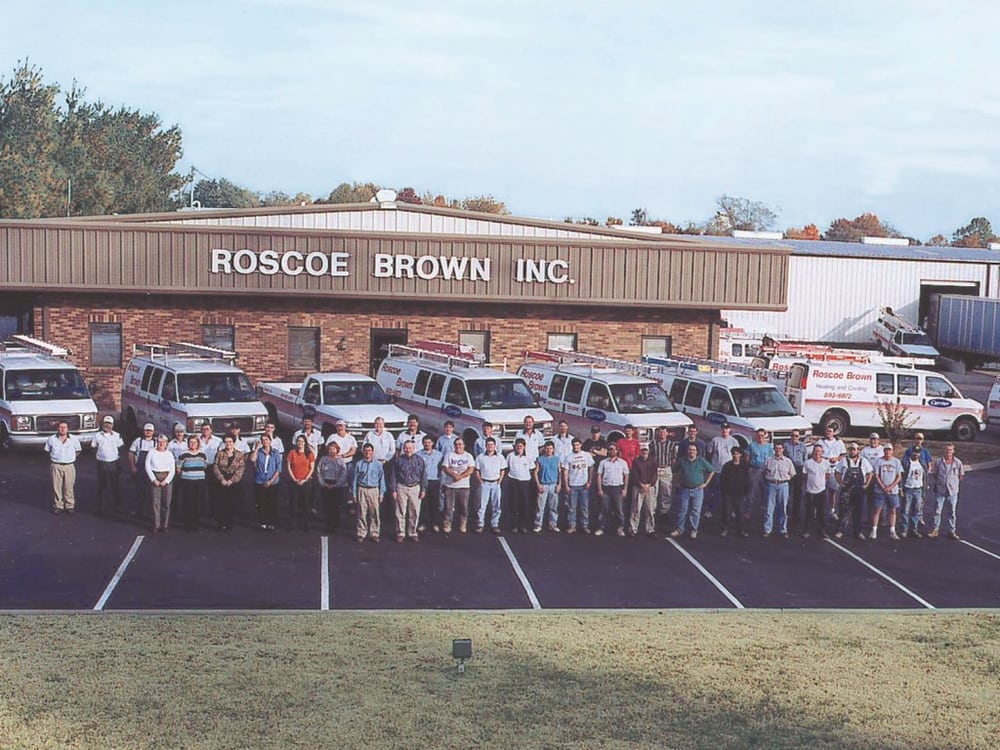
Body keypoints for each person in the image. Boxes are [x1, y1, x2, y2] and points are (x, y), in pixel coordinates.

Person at [670, 444, 715, 540]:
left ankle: (694, 530)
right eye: (690, 450)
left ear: (697, 451)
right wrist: (676, 482)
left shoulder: (701, 461)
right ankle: (679, 529)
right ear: (687, 451)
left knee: (695, 511)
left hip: (697, 490)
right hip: (684, 489)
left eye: (694, 450)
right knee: (682, 510)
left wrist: (706, 483)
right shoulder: (682, 461)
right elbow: (674, 470)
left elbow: (711, 470)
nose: (692, 452)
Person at [833, 443, 872, 540]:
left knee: (858, 512)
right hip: (846, 490)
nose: (852, 451)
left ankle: (858, 532)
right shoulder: (844, 461)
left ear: (858, 450)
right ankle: (840, 531)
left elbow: (870, 473)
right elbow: (837, 472)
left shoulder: (863, 461)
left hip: (859, 491)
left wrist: (866, 484)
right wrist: (841, 483)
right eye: (850, 449)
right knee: (844, 511)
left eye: (854, 449)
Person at [391, 437, 426, 542]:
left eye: (410, 448)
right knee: (400, 511)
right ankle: (400, 532)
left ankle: (412, 532)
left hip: (415, 487)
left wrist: (423, 489)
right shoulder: (398, 460)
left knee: (414, 511)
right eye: (406, 448)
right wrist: (393, 490)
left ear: (414, 448)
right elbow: (393, 475)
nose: (408, 450)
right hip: (401, 487)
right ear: (403, 448)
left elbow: (423, 475)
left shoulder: (419, 460)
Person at [928, 443, 965, 540]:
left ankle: (952, 531)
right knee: (937, 511)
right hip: (940, 491)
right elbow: (934, 474)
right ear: (944, 451)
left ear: (953, 451)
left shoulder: (957, 462)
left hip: (952, 492)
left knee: (952, 512)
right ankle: (935, 530)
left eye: (950, 450)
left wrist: (953, 483)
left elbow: (961, 475)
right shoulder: (938, 462)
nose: (948, 452)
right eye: (946, 450)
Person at [44, 421, 82, 514]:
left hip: (69, 466)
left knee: (69, 487)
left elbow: (78, 451)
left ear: (68, 429)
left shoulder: (74, 439)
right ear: (57, 428)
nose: (62, 429)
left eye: (64, 427)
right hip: (56, 465)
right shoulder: (51, 439)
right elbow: (47, 450)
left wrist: (69, 458)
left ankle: (69, 505)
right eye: (60, 427)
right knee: (56, 487)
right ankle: (58, 506)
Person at [441, 437, 475, 534]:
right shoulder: (449, 455)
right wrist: (454, 475)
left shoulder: (468, 456)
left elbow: (471, 469)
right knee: (448, 507)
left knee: (464, 507)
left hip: (464, 486)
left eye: (460, 444)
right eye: (456, 444)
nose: (458, 446)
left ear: (464, 445)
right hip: (450, 485)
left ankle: (463, 523)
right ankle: (447, 523)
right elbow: (445, 467)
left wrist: (460, 476)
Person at [352, 443, 385, 542]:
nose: (367, 452)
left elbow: (381, 479)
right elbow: (354, 480)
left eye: (369, 450)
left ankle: (374, 533)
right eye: (366, 450)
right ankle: (361, 533)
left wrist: (381, 493)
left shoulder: (378, 464)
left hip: (374, 490)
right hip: (362, 489)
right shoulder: (359, 464)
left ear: (372, 452)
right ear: (363, 452)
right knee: (361, 512)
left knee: (374, 512)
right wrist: (354, 493)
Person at [901, 433, 932, 538]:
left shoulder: (922, 464)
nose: (916, 454)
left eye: (918, 452)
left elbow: (925, 476)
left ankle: (914, 530)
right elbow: (902, 475)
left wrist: (924, 489)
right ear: (911, 453)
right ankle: (904, 530)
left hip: (918, 490)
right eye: (914, 452)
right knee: (905, 511)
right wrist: (901, 488)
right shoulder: (906, 463)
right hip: (908, 489)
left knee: (916, 511)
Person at [763, 442, 796, 538]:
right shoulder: (769, 460)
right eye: (776, 448)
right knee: (769, 508)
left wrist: (784, 480)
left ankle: (783, 529)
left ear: (783, 449)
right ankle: (767, 529)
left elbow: (792, 474)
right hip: (771, 485)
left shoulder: (788, 461)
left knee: (783, 508)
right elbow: (764, 472)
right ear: (774, 449)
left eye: (780, 448)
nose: (778, 450)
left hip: (783, 485)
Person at [212, 434, 245, 532]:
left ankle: (229, 524)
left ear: (234, 442)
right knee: (221, 503)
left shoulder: (239, 454)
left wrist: (232, 480)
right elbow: (215, 466)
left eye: (230, 442)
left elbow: (241, 468)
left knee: (232, 503)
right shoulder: (219, 453)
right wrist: (221, 479)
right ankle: (221, 524)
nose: (228, 444)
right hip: (222, 479)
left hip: (233, 480)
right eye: (226, 442)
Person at [316, 441, 350, 534]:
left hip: (337, 485)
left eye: (334, 449)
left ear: (337, 450)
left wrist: (336, 485)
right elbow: (319, 472)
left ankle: (335, 524)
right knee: (326, 505)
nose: (332, 451)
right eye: (330, 449)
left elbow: (344, 474)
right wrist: (323, 483)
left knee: (336, 506)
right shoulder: (323, 459)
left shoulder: (340, 460)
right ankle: (328, 523)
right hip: (326, 484)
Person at [870, 444, 903, 541]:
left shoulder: (896, 461)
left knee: (892, 511)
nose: (888, 452)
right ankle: (874, 530)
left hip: (893, 491)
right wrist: (883, 486)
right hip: (880, 491)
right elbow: (876, 475)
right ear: (883, 451)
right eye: (886, 450)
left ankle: (892, 531)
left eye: (889, 450)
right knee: (877, 510)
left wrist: (891, 487)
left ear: (892, 451)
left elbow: (899, 476)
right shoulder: (879, 461)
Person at [174, 436, 208, 531]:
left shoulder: (202, 454)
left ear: (198, 443)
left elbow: (205, 466)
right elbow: (178, 468)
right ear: (188, 443)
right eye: (191, 442)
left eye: (195, 442)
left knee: (197, 502)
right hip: (187, 480)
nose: (193, 444)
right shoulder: (184, 454)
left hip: (199, 480)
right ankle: (188, 523)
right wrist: (184, 475)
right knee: (188, 502)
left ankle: (196, 523)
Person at [474, 437, 507, 534]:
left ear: (495, 446)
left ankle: (495, 524)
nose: (490, 446)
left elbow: (502, 470)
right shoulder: (480, 457)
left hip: (496, 483)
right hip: (484, 483)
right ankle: (480, 524)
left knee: (496, 505)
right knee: (482, 505)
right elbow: (477, 471)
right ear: (485, 446)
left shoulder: (500, 457)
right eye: (488, 445)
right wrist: (481, 482)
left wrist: (499, 481)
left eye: (492, 445)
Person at [563, 437, 595, 534]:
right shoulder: (568, 457)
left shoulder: (587, 455)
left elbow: (591, 468)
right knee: (572, 507)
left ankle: (585, 525)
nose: (576, 447)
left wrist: (589, 481)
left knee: (584, 506)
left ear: (581, 445)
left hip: (584, 485)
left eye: (577, 445)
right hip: (573, 485)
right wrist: (566, 485)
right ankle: (572, 526)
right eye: (574, 445)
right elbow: (565, 472)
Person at [706, 422, 738, 518]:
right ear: (721, 429)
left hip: (730, 471)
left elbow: (737, 456)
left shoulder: (734, 441)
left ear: (729, 430)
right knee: (714, 491)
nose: (725, 430)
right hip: (717, 470)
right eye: (723, 428)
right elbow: (709, 453)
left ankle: (732, 510)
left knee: (731, 491)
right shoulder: (715, 440)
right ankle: (709, 510)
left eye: (727, 428)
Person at [93, 415, 124, 514]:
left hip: (114, 463)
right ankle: (99, 507)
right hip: (101, 463)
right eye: (106, 423)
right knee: (101, 486)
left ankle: (118, 506)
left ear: (113, 425)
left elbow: (120, 447)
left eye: (109, 424)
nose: (107, 425)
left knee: (116, 486)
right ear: (102, 424)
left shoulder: (117, 435)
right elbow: (94, 447)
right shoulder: (97, 436)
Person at [596, 443, 629, 536]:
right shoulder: (603, 462)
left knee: (619, 510)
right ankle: (601, 528)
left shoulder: (623, 462)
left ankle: (620, 528)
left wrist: (625, 489)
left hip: (618, 488)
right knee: (604, 509)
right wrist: (599, 489)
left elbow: (626, 476)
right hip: (606, 488)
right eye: (610, 449)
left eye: (614, 449)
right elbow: (599, 476)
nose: (612, 451)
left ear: (617, 451)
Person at [251, 434, 282, 531]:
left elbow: (278, 469)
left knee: (272, 503)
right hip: (260, 480)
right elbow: (252, 459)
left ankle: (271, 522)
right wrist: (256, 448)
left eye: (266, 440)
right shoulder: (259, 452)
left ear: (270, 441)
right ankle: (262, 522)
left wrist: (271, 481)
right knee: (261, 502)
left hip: (272, 482)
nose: (265, 442)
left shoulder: (275, 452)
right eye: (263, 440)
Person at [146, 434, 176, 532]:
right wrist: (153, 479)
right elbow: (147, 466)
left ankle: (165, 525)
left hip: (166, 478)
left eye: (163, 442)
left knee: (166, 503)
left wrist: (166, 481)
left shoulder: (169, 454)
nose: (161, 444)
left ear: (167, 444)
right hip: (155, 476)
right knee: (156, 502)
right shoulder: (151, 452)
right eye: (159, 442)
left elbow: (172, 469)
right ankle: (156, 524)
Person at [505, 438, 535, 533]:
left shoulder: (528, 457)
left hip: (525, 483)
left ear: (524, 447)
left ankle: (523, 525)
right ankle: (514, 525)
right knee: (513, 504)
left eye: (521, 446)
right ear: (515, 447)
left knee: (524, 505)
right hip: (513, 482)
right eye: (517, 446)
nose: (519, 447)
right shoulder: (510, 456)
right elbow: (507, 468)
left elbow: (531, 469)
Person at [582, 426, 608, 532]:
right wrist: (597, 452)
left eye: (597, 432)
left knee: (601, 498)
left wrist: (595, 452)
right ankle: (588, 522)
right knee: (589, 498)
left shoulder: (603, 442)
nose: (595, 434)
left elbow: (605, 453)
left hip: (601, 473)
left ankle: (601, 522)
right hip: (589, 473)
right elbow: (585, 454)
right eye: (593, 432)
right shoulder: (587, 442)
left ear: (599, 433)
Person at [801, 444, 831, 539]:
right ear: (813, 452)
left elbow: (827, 475)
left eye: (819, 451)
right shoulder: (807, 463)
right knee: (808, 512)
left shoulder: (826, 463)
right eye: (816, 451)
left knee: (821, 513)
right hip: (810, 492)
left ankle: (822, 531)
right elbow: (805, 476)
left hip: (821, 491)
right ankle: (806, 530)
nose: (817, 453)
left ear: (822, 452)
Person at [719, 446, 750, 537]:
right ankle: (725, 529)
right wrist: (724, 491)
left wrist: (746, 492)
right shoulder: (727, 466)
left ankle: (741, 531)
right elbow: (722, 479)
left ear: (740, 455)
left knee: (740, 513)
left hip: (740, 494)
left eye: (737, 454)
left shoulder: (744, 466)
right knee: (726, 513)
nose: (735, 455)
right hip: (728, 493)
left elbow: (748, 480)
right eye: (734, 454)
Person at [286, 434, 315, 531]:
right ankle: (292, 523)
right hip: (294, 481)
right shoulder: (292, 453)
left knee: (306, 503)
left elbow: (312, 468)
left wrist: (305, 479)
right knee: (293, 503)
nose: (300, 443)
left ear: (305, 443)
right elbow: (289, 466)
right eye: (298, 441)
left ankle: (306, 524)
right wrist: (294, 479)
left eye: (302, 441)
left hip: (306, 482)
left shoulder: (309, 454)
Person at [628, 444, 658, 537]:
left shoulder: (653, 461)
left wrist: (649, 485)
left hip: (650, 487)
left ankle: (650, 529)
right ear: (640, 451)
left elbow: (654, 474)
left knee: (650, 509)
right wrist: (641, 484)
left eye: (646, 450)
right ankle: (633, 528)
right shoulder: (636, 461)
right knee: (636, 508)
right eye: (643, 450)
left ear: (648, 451)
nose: (644, 452)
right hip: (638, 487)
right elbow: (634, 474)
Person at [782, 429, 808, 534]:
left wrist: (804, 472)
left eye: (796, 436)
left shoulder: (802, 446)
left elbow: (805, 459)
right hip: (788, 468)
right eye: (792, 436)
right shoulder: (785, 445)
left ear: (799, 437)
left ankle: (796, 517)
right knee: (786, 492)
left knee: (798, 494)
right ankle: (786, 513)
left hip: (798, 469)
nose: (794, 438)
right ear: (790, 436)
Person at [128, 423, 156, 519]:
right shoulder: (138, 441)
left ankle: (150, 513)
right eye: (146, 430)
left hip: (152, 471)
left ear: (153, 432)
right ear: (143, 431)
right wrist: (133, 467)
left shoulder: (156, 442)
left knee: (151, 492)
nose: (148, 432)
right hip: (140, 469)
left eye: (150, 431)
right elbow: (131, 453)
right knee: (139, 491)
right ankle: (138, 511)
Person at [818, 426, 847, 521]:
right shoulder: (820, 442)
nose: (828, 433)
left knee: (833, 491)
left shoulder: (839, 442)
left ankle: (832, 511)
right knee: (820, 490)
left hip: (835, 468)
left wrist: (837, 459)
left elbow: (843, 454)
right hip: (823, 468)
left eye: (830, 431)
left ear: (834, 433)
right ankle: (818, 510)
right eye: (827, 431)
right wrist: (825, 459)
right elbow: (817, 454)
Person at [745, 428, 774, 518]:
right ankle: (748, 510)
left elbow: (771, 458)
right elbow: (747, 456)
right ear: (756, 436)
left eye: (762, 435)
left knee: (766, 491)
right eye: (758, 435)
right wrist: (748, 468)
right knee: (751, 491)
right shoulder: (752, 445)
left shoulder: (768, 446)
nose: (760, 437)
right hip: (754, 469)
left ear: (765, 436)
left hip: (765, 470)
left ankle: (764, 509)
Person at [417, 435, 444, 532]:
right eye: (425, 442)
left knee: (435, 503)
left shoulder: (439, 455)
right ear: (423, 443)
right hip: (423, 482)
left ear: (432, 443)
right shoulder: (418, 455)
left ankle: (435, 523)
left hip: (435, 481)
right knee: (423, 504)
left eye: (429, 442)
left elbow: (442, 468)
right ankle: (422, 523)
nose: (427, 444)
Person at [534, 440, 561, 533]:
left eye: (550, 448)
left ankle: (553, 525)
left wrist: (559, 484)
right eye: (547, 448)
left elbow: (559, 472)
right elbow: (535, 473)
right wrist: (538, 484)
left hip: (553, 485)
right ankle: (538, 525)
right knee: (540, 507)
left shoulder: (557, 459)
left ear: (553, 449)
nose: (548, 450)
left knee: (554, 507)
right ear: (544, 449)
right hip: (543, 485)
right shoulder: (540, 459)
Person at [651, 425, 675, 522]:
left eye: (664, 432)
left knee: (666, 492)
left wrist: (671, 469)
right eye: (660, 432)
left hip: (666, 468)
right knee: (654, 492)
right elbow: (650, 457)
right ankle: (652, 511)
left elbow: (673, 458)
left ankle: (664, 512)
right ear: (657, 433)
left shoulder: (671, 444)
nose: (662, 434)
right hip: (655, 469)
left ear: (667, 433)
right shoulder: (653, 444)